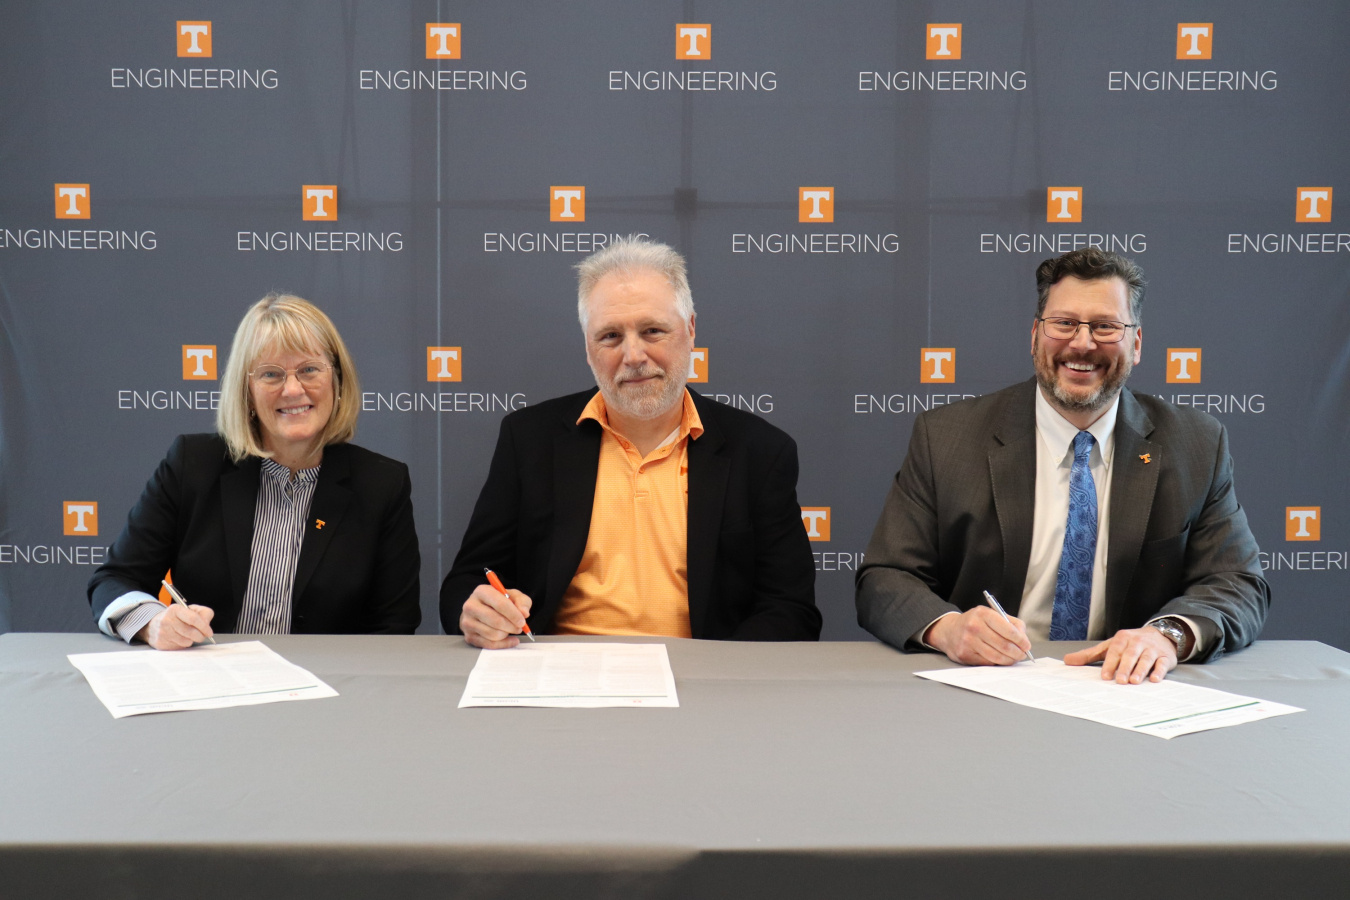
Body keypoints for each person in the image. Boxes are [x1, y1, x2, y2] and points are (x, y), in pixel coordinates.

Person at [856, 247, 1269, 683]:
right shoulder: (946, 438)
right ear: (1035, 335)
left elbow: (1238, 584)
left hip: (1126, 690)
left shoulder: (1196, 444)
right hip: (985, 684)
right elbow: (886, 579)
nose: (1082, 343)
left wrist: (1166, 636)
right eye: (1064, 323)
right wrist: (948, 628)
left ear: (1137, 343)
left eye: (1106, 326)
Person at [443, 236, 820, 647]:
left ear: (691, 330)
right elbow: (469, 580)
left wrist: (717, 676)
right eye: (610, 337)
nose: (634, 355)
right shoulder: (529, 439)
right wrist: (478, 611)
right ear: (588, 348)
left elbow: (791, 609)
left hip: (701, 684)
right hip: (559, 678)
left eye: (653, 330)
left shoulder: (761, 452)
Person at [88, 293, 421, 648]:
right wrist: (152, 624)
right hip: (210, 679)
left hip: (326, 689)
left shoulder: (382, 484)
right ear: (247, 391)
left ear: (337, 380)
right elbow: (114, 580)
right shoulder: (193, 463)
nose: (293, 389)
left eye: (309, 369)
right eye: (271, 374)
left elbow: (394, 626)